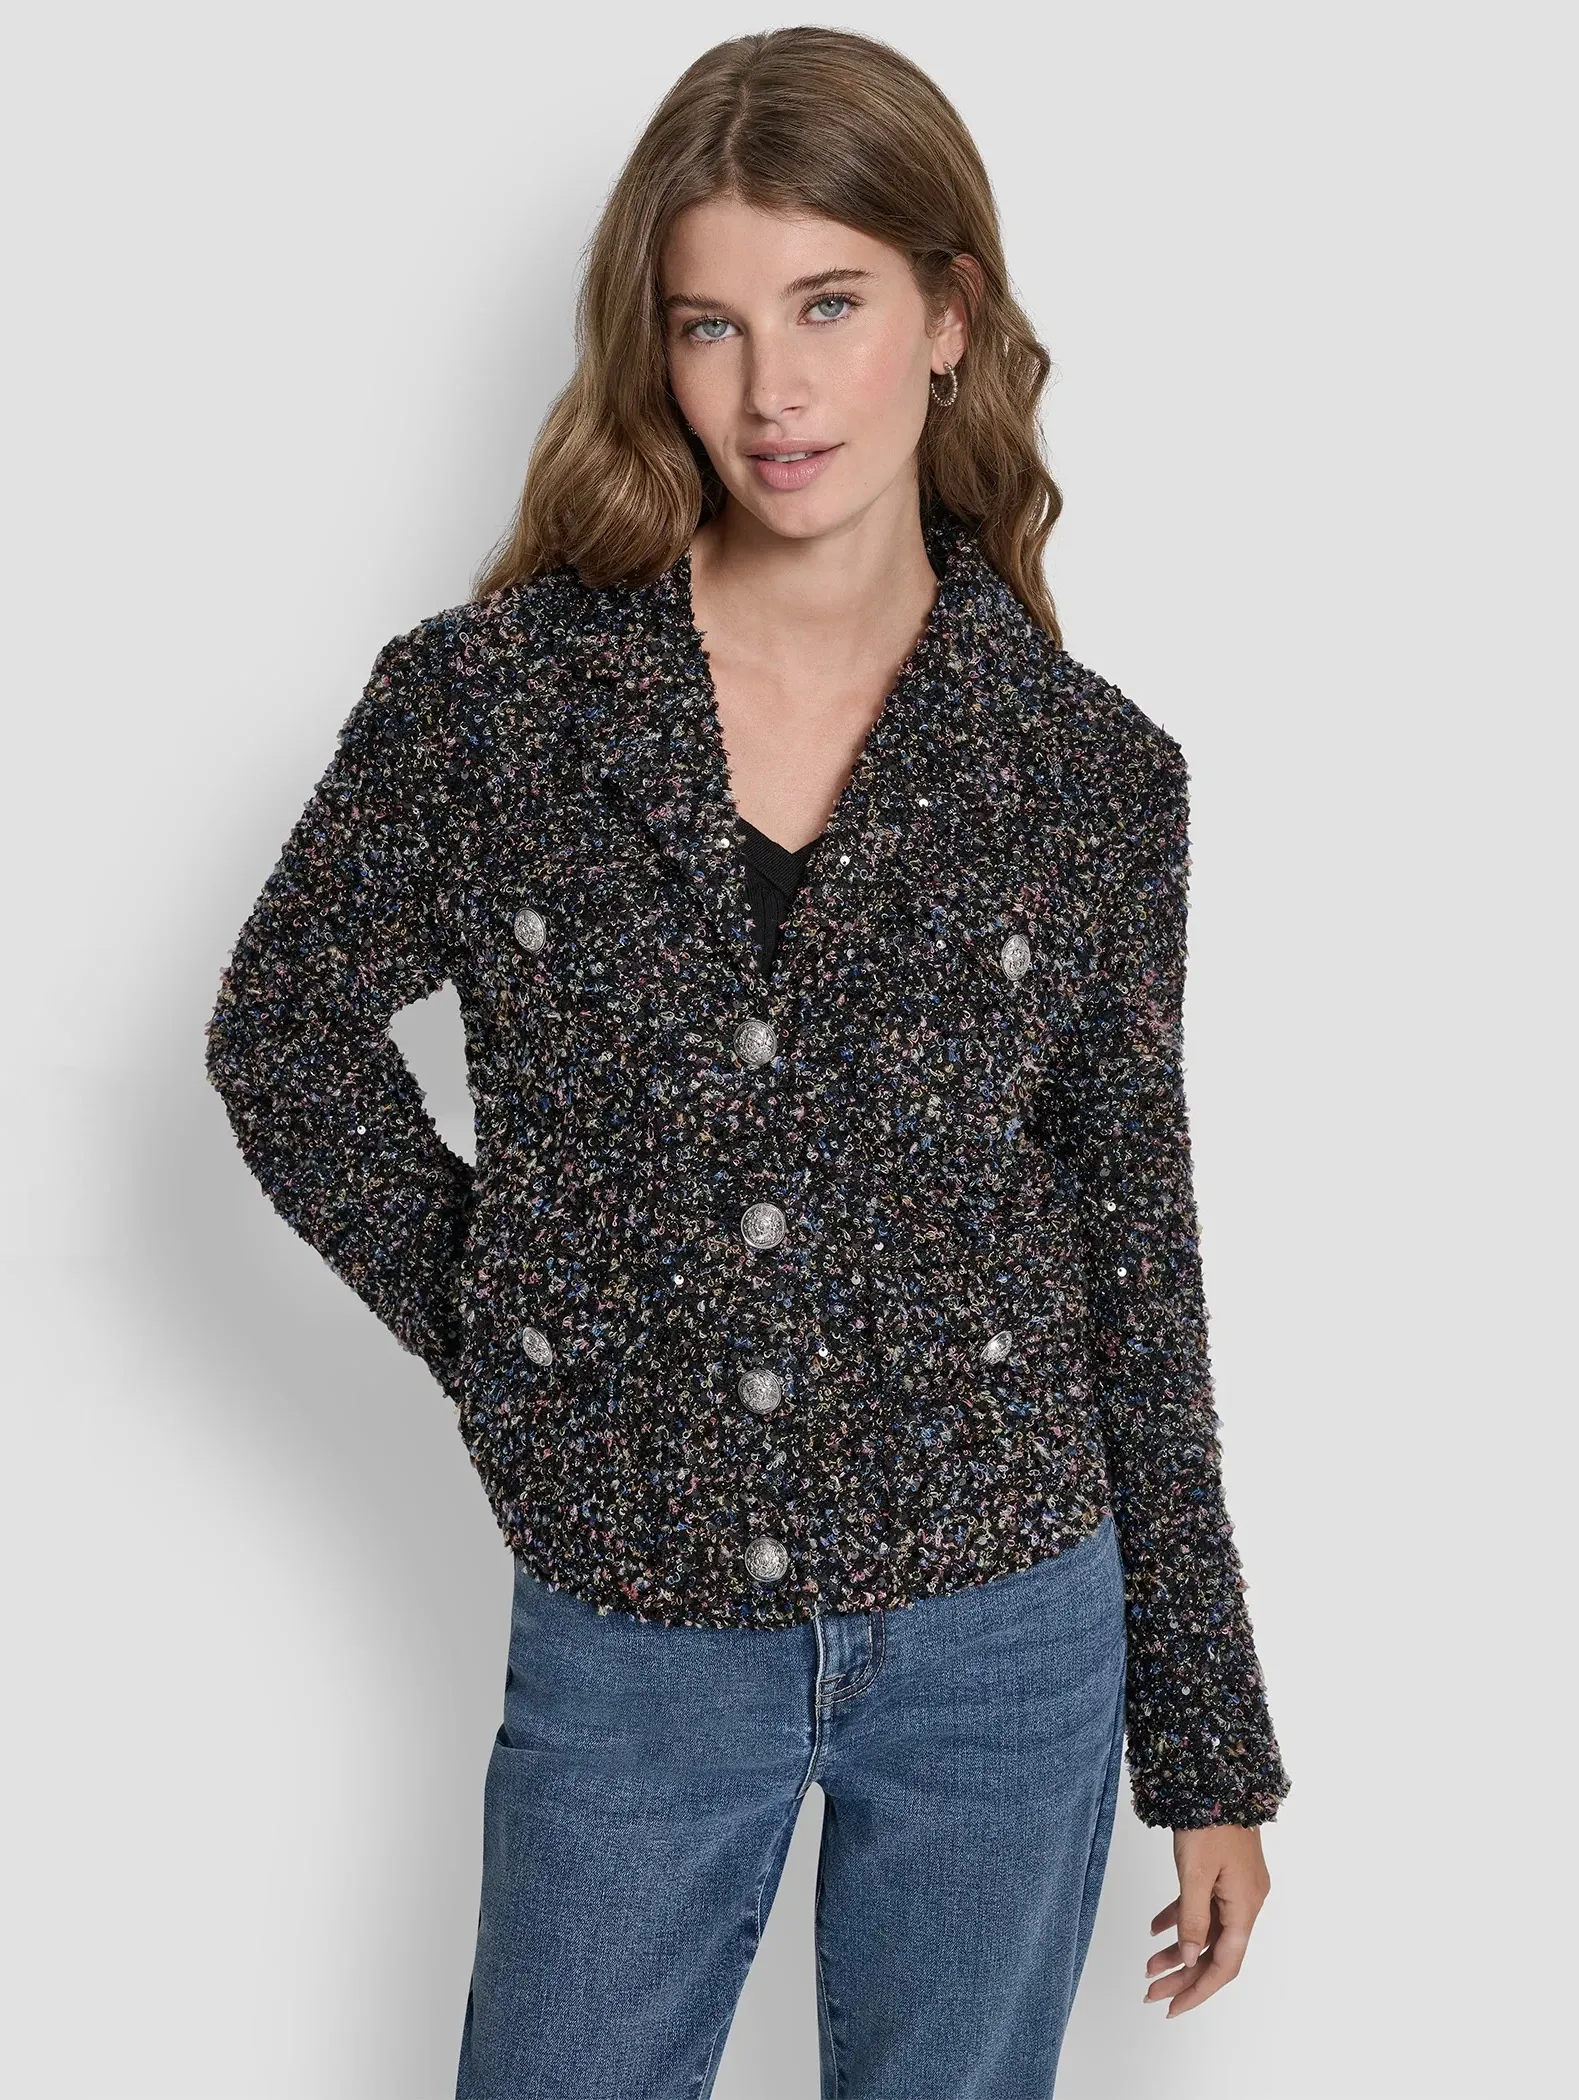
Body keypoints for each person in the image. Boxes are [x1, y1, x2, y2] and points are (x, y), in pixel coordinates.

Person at [205, 25, 1292, 2098]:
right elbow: (284, 1039)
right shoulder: (493, 707)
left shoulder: (1089, 776)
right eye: (711, 323)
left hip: (1009, 1629)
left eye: (829, 307)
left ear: (950, 317)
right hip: (635, 1621)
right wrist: (521, 1338)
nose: (771, 391)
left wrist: (1208, 1747)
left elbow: (1135, 1257)